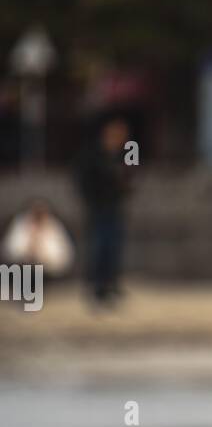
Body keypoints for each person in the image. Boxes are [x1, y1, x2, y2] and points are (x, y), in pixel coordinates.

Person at [75, 116, 132, 305]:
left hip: (115, 206)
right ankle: (97, 285)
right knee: (100, 246)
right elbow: (83, 179)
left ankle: (111, 283)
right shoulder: (93, 154)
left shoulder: (123, 154)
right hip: (98, 207)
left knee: (114, 247)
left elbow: (130, 176)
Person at [2, 198, 74, 279]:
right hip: (21, 273)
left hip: (49, 275)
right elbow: (9, 251)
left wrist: (43, 254)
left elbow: (63, 257)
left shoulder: (54, 226)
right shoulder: (21, 224)